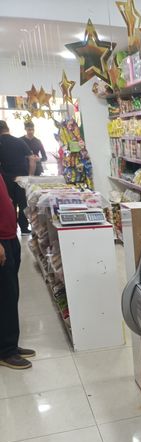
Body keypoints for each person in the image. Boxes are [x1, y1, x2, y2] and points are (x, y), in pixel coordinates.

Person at [0, 173, 35, 369]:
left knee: (11, 294)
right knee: (5, 296)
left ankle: (10, 343)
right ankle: (6, 351)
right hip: (2, 240)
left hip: (9, 236)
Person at [0, 120, 34, 235]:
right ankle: (24, 228)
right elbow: (32, 159)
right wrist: (30, 176)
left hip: (6, 179)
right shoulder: (19, 141)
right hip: (22, 178)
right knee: (23, 203)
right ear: (7, 128)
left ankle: (12, 229)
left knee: (9, 204)